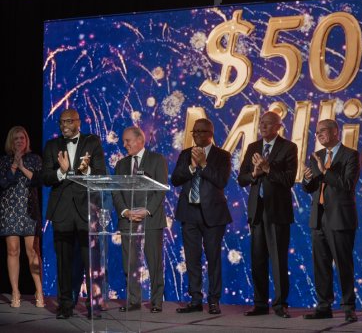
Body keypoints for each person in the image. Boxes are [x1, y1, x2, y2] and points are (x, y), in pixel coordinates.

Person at [42, 108, 106, 319]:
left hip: (86, 210)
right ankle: (65, 306)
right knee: (64, 262)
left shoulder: (92, 142)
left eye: (68, 121)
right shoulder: (52, 146)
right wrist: (62, 171)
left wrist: (85, 170)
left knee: (90, 262)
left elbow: (101, 174)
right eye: (61, 122)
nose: (64, 126)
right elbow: (45, 176)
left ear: (78, 122)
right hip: (62, 211)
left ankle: (93, 306)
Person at [238, 111, 298, 319]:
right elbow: (242, 179)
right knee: (258, 259)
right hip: (257, 210)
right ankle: (260, 303)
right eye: (261, 123)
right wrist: (254, 173)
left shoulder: (289, 147)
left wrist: (267, 168)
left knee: (278, 260)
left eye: (268, 123)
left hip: (278, 211)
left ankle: (280, 305)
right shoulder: (253, 147)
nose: (263, 126)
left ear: (278, 126)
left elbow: (289, 179)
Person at [172, 118, 232, 315]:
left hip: (213, 215)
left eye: (201, 131)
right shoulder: (185, 154)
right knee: (192, 258)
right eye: (194, 132)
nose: (197, 135)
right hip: (189, 213)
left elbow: (221, 181)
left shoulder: (222, 156)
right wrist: (191, 166)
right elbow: (176, 179)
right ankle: (195, 299)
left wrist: (204, 164)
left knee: (213, 258)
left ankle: (213, 300)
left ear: (210, 134)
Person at [302, 119, 359, 322]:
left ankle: (348, 307)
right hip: (318, 217)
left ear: (336, 132)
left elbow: (346, 184)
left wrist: (325, 171)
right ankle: (323, 306)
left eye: (323, 131)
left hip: (340, 217)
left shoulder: (350, 155)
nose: (318, 135)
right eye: (317, 132)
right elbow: (310, 188)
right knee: (321, 264)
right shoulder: (316, 156)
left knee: (343, 263)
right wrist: (307, 178)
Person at [112, 126, 168, 313]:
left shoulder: (157, 160)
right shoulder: (120, 165)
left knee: (154, 262)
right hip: (128, 220)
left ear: (140, 140)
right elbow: (116, 192)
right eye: (124, 141)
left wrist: (146, 210)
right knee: (130, 263)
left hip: (151, 220)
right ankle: (133, 300)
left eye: (127, 141)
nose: (124, 144)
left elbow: (161, 189)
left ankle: (156, 301)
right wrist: (125, 211)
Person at [0, 126, 43, 308]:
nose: (19, 141)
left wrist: (22, 166)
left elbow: (38, 180)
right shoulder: (4, 160)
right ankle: (15, 291)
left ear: (26, 141)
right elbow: (3, 182)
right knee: (12, 251)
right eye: (16, 138)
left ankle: (39, 291)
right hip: (9, 210)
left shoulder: (35, 159)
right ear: (11, 141)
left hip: (29, 209)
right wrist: (13, 165)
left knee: (32, 251)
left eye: (22, 138)